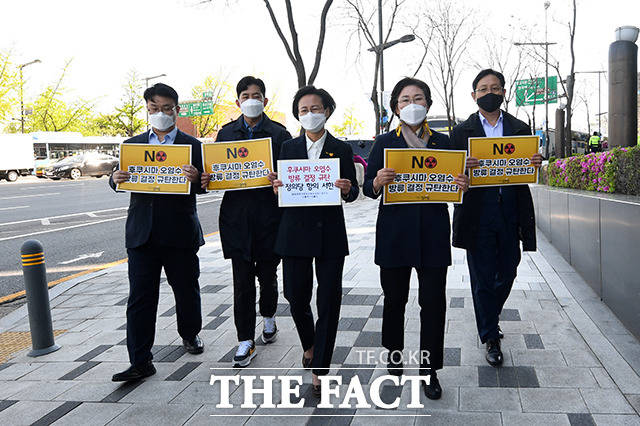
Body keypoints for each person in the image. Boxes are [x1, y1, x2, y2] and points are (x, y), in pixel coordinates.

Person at [363, 77, 469, 400]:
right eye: (405, 100)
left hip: (433, 234)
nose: (412, 104)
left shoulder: (443, 143)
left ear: (428, 104)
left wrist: (462, 185)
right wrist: (377, 181)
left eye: (418, 98)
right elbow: (367, 189)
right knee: (394, 300)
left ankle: (429, 368)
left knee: (433, 303)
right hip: (394, 235)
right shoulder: (384, 142)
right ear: (396, 108)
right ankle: (394, 355)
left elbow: (454, 188)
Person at [109, 83, 206, 381]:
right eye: (154, 109)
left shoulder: (194, 146)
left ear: (177, 110)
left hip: (180, 233)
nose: (160, 113)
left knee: (186, 289)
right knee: (140, 298)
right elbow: (117, 180)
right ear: (147, 110)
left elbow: (207, 184)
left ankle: (190, 333)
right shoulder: (133, 145)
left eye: (166, 108)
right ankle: (140, 360)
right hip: (143, 235)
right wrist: (114, 178)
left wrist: (197, 179)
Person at [452, 69, 542, 367]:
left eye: (494, 88)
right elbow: (450, 176)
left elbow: (526, 167)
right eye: (483, 88)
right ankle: (490, 335)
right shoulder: (460, 132)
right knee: (482, 278)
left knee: (508, 270)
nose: (489, 93)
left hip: (510, 210)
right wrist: (462, 168)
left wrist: (535, 161)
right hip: (477, 213)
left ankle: (490, 313)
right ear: (474, 95)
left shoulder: (520, 128)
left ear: (503, 92)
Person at [272, 85, 359, 397]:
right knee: (295, 296)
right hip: (294, 232)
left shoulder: (341, 149)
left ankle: (321, 367)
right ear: (298, 115)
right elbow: (281, 187)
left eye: (315, 109)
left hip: (329, 234)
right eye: (304, 110)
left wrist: (347, 188)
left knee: (329, 301)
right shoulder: (287, 148)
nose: (310, 114)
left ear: (327, 111)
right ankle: (309, 344)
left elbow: (353, 193)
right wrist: (277, 187)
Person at [201, 76, 292, 368]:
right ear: (238, 101)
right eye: (245, 96)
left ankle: (269, 316)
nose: (251, 100)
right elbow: (215, 173)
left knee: (267, 275)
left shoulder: (279, 134)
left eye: (256, 95)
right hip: (236, 218)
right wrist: (208, 178)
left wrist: (279, 179)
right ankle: (245, 340)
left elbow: (290, 174)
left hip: (270, 218)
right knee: (241, 281)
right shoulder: (226, 133)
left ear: (265, 100)